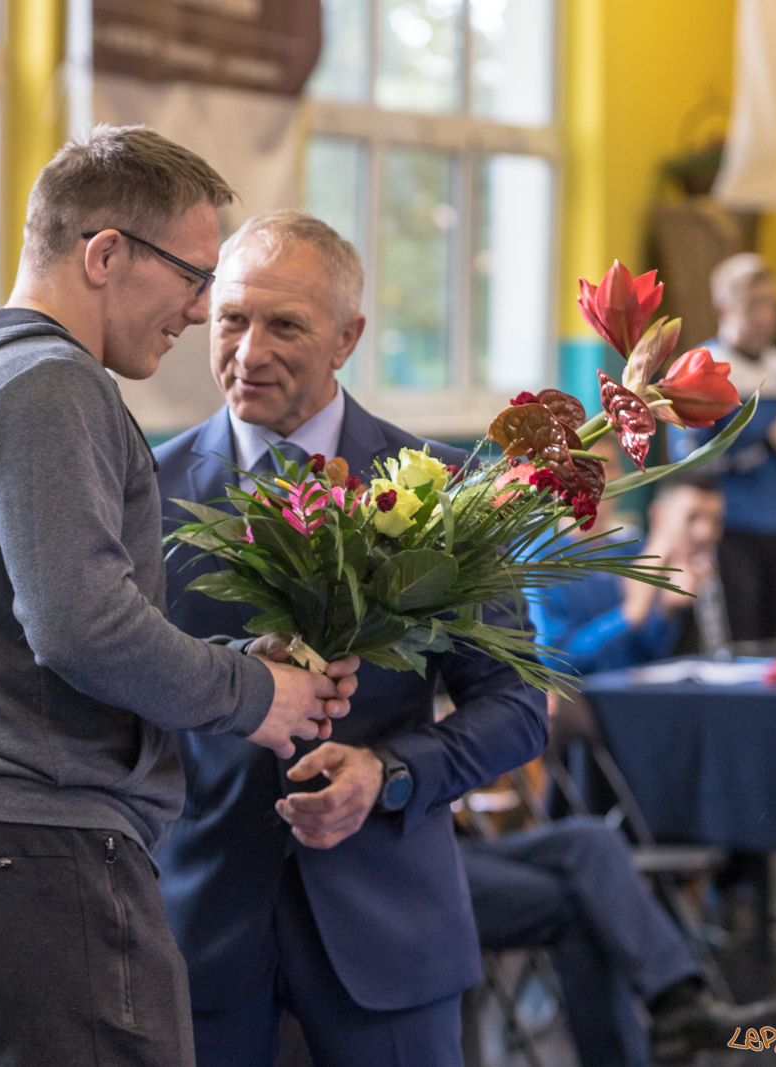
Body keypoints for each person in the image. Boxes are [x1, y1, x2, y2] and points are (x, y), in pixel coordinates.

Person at [0, 127, 358, 1067]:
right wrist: (259, 697)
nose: (199, 308)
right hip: (40, 853)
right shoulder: (52, 383)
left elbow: (49, 613)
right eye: (192, 273)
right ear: (104, 254)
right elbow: (82, 625)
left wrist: (222, 669)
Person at [155, 209, 547, 1067]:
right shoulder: (144, 490)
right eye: (230, 319)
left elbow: (518, 706)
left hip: (389, 924)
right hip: (200, 928)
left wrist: (390, 773)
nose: (248, 351)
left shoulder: (441, 490)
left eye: (284, 325)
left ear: (348, 336)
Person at [464, 817, 776, 1067]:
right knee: (581, 907)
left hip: (459, 840)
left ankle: (678, 999)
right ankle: (666, 1027)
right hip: (420, 859)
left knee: (594, 839)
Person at [670, 253, 776, 642]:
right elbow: (691, 465)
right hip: (725, 532)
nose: (765, 317)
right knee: (736, 642)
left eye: (772, 304)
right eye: (752, 304)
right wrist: (771, 443)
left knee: (774, 640)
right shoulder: (700, 368)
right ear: (723, 307)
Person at [531, 467, 726, 675]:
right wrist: (629, 615)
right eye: (691, 518)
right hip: (587, 698)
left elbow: (646, 654)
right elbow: (554, 664)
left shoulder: (633, 549)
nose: (705, 532)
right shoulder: (540, 558)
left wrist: (665, 610)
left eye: (608, 471)